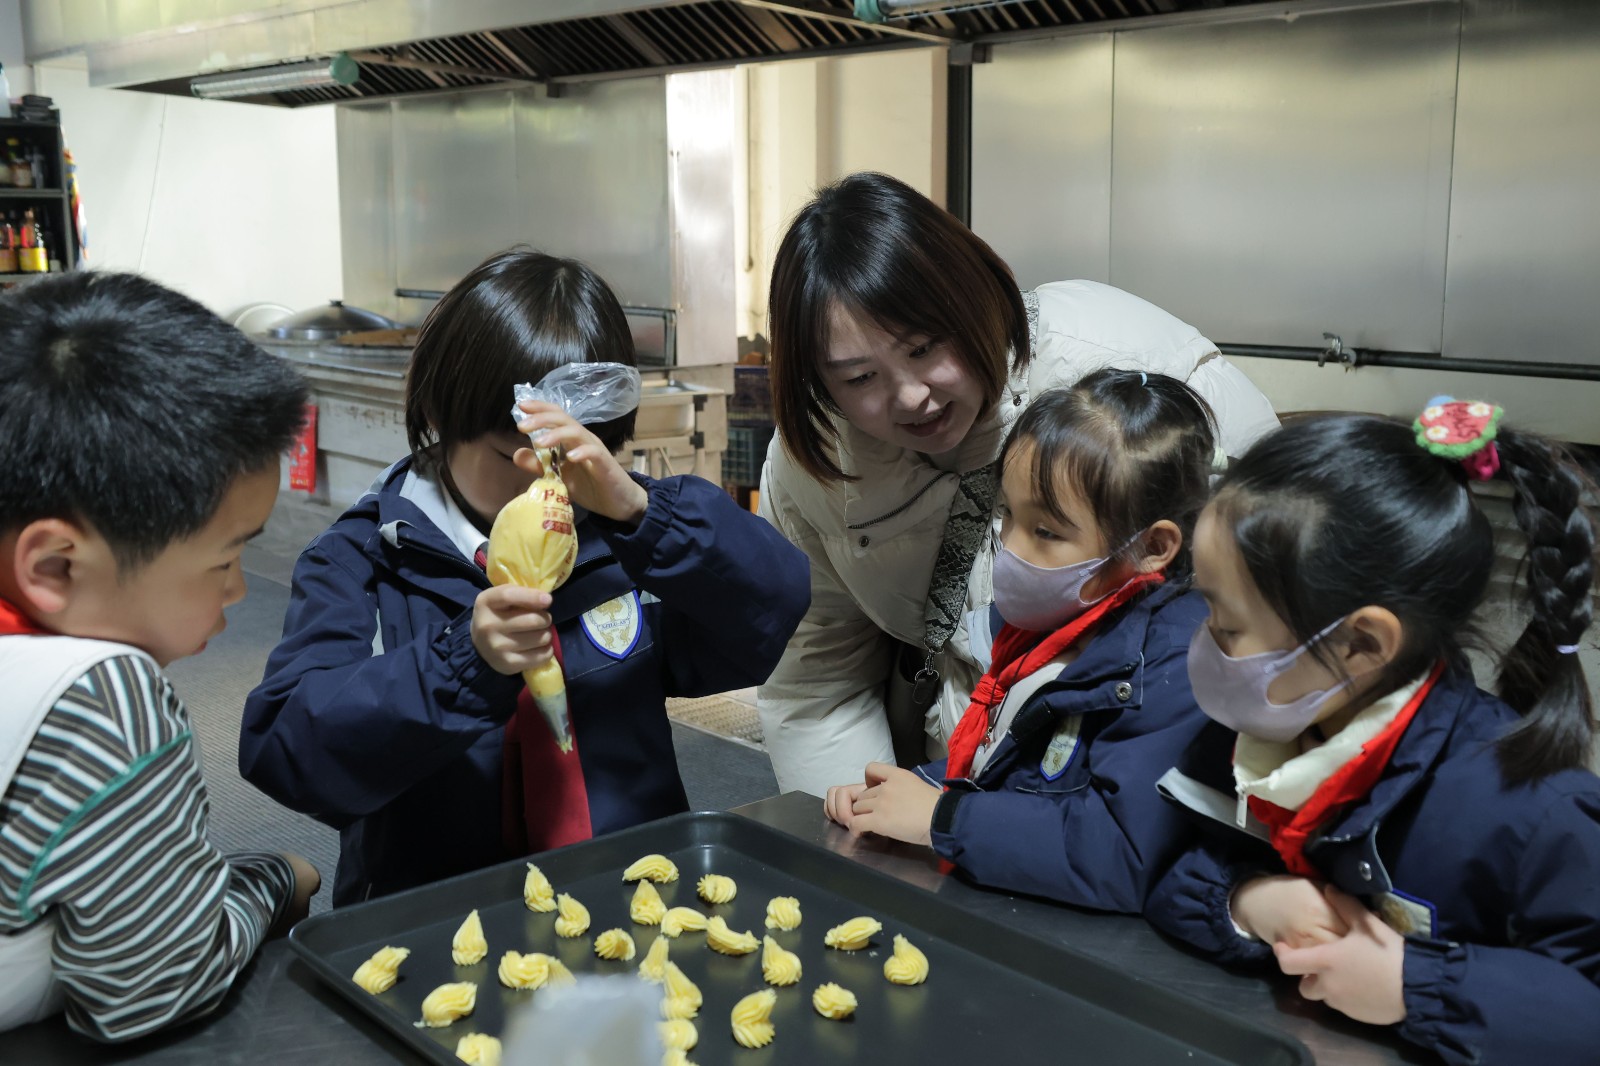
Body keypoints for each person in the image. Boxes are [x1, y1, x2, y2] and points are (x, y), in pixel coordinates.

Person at [240, 249, 810, 906]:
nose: (540, 482)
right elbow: (288, 753)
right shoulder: (364, 560)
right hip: (438, 917)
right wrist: (460, 663)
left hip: (626, 897)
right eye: (507, 455)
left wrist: (642, 513)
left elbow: (773, 610)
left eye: (562, 456)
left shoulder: (627, 544)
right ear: (441, 414)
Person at [758, 170, 1281, 797]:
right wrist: (861, 830)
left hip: (1132, 774)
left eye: (924, 348)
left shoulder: (1126, 364)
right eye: (860, 378)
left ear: (973, 295)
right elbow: (816, 682)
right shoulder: (814, 461)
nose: (911, 396)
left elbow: (1278, 610)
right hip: (952, 780)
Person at [1145, 401, 1600, 1064]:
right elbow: (1167, 862)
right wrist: (1247, 899)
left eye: (1227, 624)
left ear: (1361, 643)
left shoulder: (1534, 809)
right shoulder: (1260, 733)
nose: (1204, 641)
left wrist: (1416, 986)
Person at [0, 272, 319, 1040]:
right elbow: (155, 988)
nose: (238, 590)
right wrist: (276, 880)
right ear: (55, 567)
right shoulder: (104, 702)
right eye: (224, 560)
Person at [824, 370, 1219, 913]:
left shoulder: (1176, 667)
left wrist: (942, 817)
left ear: (1152, 547)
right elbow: (1014, 772)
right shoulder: (1057, 622)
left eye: (1047, 532)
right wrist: (908, 791)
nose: (1010, 547)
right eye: (1008, 514)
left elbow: (1122, 851)